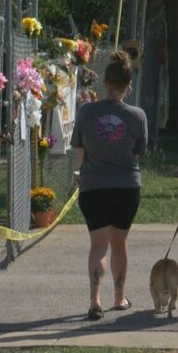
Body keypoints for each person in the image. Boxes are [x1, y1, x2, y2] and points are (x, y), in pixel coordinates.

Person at [71, 51, 148, 321]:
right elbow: (138, 153)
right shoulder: (137, 116)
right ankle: (119, 297)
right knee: (120, 242)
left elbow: (80, 150)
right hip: (126, 186)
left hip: (94, 186)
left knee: (98, 246)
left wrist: (85, 170)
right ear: (128, 85)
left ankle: (95, 301)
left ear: (105, 82)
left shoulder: (86, 112)